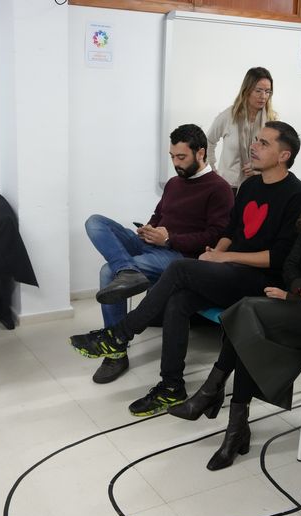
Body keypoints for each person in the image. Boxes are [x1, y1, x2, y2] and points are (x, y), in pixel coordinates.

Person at [70, 122, 301, 416]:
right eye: (256, 140)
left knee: (180, 269)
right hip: (231, 270)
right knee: (178, 300)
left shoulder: (297, 194)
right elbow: (230, 230)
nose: (253, 146)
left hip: (261, 281)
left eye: (264, 143)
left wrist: (224, 257)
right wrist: (216, 253)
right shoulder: (250, 186)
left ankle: (119, 334)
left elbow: (280, 257)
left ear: (284, 155)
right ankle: (171, 386)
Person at [167, 153, 301, 473]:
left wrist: (296, 294)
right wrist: (300, 291)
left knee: (246, 314)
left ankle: (216, 398)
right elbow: (290, 266)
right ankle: (234, 425)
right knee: (247, 320)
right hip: (299, 306)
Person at [83, 124, 234, 384]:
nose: (175, 163)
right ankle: (127, 270)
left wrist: (170, 239)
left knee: (108, 272)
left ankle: (116, 352)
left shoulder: (219, 188)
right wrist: (149, 229)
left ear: (200, 153)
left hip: (180, 256)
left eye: (181, 157)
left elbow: (216, 236)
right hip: (153, 244)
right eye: (172, 157)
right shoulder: (174, 183)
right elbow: (159, 214)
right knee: (95, 222)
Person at [206, 67, 278, 190]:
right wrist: (212, 170)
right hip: (228, 186)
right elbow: (208, 142)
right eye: (258, 91)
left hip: (259, 185)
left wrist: (259, 168)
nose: (263, 96)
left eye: (268, 91)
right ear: (247, 90)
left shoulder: (272, 120)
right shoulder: (228, 116)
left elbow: (276, 153)